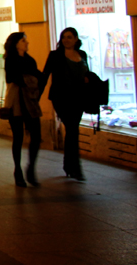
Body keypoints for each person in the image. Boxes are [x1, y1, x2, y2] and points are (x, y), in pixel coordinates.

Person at [42, 27, 89, 181]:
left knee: (72, 130)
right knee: (72, 128)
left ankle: (69, 165)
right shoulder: (55, 56)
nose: (66, 40)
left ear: (76, 39)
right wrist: (35, 97)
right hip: (61, 98)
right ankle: (75, 167)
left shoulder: (82, 55)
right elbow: (45, 75)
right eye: (64, 37)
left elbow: (87, 73)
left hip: (78, 98)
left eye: (69, 37)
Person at [3, 32, 44, 188]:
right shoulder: (11, 60)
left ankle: (31, 168)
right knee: (18, 137)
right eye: (23, 40)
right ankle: (18, 170)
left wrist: (32, 79)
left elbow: (37, 78)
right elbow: (14, 79)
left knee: (36, 136)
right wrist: (31, 79)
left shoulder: (30, 60)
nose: (27, 43)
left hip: (31, 103)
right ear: (16, 44)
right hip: (16, 104)